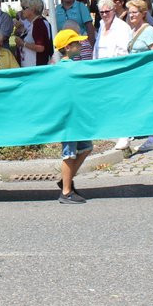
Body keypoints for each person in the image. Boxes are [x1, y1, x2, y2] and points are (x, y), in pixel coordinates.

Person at [51, 29, 92, 204]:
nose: (80, 44)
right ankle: (66, 192)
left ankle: (65, 180)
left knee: (87, 147)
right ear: (68, 47)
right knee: (69, 154)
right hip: (68, 119)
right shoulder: (65, 69)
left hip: (77, 117)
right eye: (76, 42)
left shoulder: (72, 66)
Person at [118, 0, 153, 152]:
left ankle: (151, 138)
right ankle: (132, 134)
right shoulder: (132, 30)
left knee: (146, 105)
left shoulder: (147, 29)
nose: (131, 15)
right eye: (129, 13)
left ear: (143, 14)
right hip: (134, 74)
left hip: (146, 74)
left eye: (135, 12)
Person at [16, 0, 52, 68]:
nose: (22, 10)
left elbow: (40, 47)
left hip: (36, 67)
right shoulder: (34, 23)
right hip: (31, 66)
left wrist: (22, 43)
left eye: (24, 8)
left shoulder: (39, 23)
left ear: (32, 9)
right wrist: (21, 29)